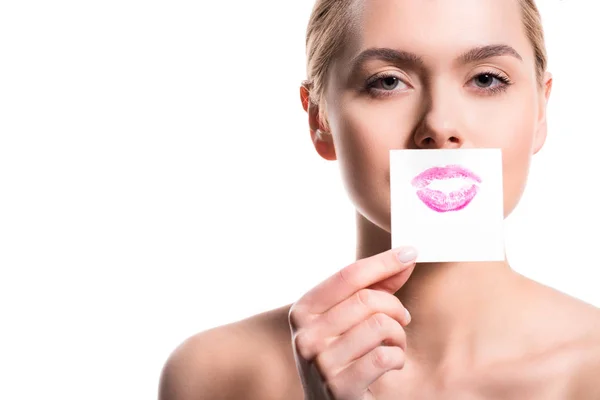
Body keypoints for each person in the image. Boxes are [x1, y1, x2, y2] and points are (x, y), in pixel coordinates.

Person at [158, 0, 600, 398]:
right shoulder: (214, 376)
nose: (440, 124)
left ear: (541, 111)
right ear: (320, 119)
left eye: (487, 79)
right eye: (387, 82)